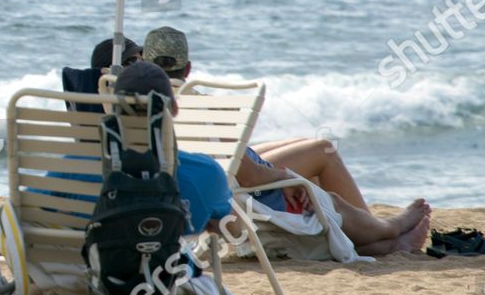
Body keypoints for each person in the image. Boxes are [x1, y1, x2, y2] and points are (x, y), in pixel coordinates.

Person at [142, 26, 432, 254]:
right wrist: (288, 177)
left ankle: (376, 235)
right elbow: (252, 176)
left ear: (144, 62)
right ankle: (383, 230)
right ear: (188, 68)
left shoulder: (134, 103)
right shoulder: (197, 105)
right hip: (241, 185)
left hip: (215, 174)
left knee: (305, 144)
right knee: (323, 151)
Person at [22, 61, 233, 295]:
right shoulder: (206, 173)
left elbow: (25, 211)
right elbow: (224, 224)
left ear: (112, 109)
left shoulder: (74, 167)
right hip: (164, 293)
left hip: (87, 294)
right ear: (174, 109)